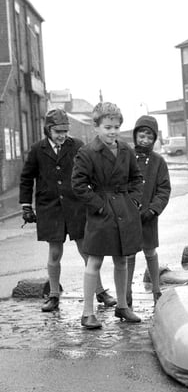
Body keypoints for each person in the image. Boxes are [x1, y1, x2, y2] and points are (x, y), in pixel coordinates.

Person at [19, 108, 117, 312]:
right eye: (57, 132)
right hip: (50, 209)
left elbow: (90, 172)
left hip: (76, 207)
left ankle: (99, 291)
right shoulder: (38, 149)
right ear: (48, 130)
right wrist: (26, 205)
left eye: (65, 131)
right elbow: (27, 178)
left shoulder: (77, 146)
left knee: (87, 251)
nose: (62, 135)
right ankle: (54, 295)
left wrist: (96, 198)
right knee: (54, 253)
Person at [71, 102, 144, 329]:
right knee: (94, 260)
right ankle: (87, 313)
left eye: (116, 127)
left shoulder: (125, 150)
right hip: (101, 213)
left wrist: (133, 201)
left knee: (122, 259)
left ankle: (122, 306)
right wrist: (99, 206)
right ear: (96, 127)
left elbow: (136, 178)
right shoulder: (87, 152)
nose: (112, 131)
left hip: (124, 210)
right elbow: (78, 184)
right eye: (107, 127)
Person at [125, 115, 171, 308]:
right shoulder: (126, 157)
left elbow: (164, 189)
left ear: (154, 139)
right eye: (141, 136)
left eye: (149, 137)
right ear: (135, 136)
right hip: (128, 215)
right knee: (128, 254)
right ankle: (125, 293)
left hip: (148, 217)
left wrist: (153, 210)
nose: (144, 140)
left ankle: (156, 290)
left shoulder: (158, 161)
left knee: (150, 251)